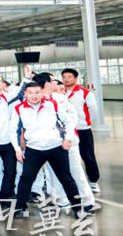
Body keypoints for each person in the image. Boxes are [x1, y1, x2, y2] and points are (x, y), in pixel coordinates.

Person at [11, 82, 82, 217]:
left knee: (66, 178)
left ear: (41, 93)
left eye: (37, 92)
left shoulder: (52, 104)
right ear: (25, 94)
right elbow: (13, 130)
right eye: (30, 93)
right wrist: (17, 149)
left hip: (55, 148)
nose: (34, 96)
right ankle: (20, 207)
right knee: (26, 178)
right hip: (34, 150)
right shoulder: (19, 108)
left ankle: (78, 208)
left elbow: (68, 122)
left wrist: (68, 138)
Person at [62, 68, 101, 193]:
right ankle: (72, 182)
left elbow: (93, 110)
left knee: (88, 156)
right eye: (64, 77)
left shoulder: (85, 93)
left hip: (82, 129)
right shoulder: (60, 93)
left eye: (69, 77)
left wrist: (86, 122)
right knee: (68, 158)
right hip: (66, 131)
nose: (66, 79)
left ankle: (93, 181)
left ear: (75, 78)